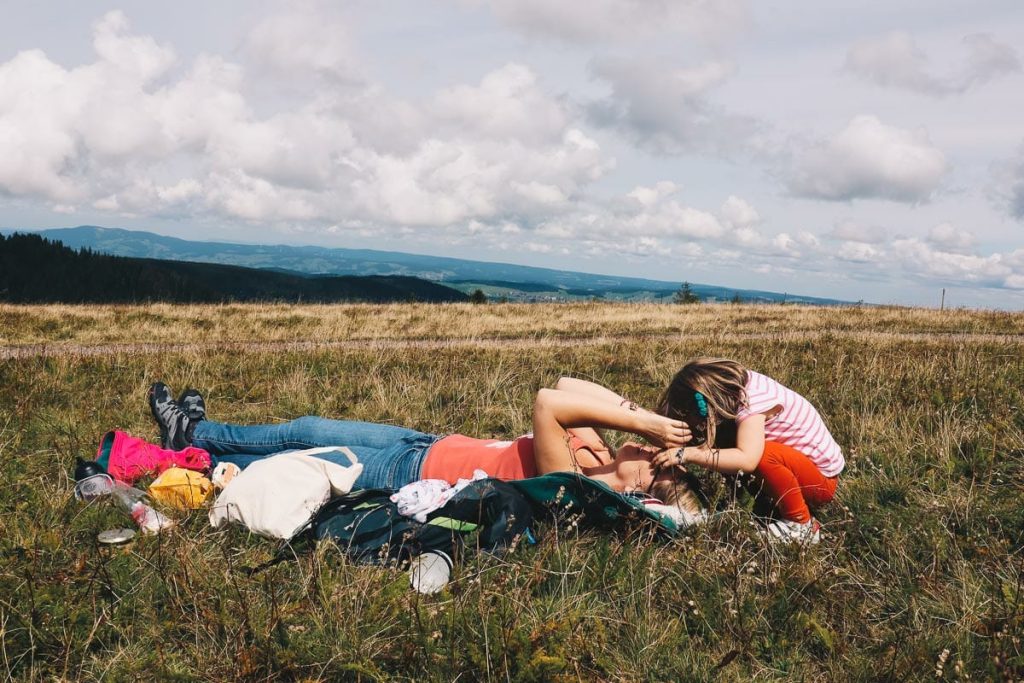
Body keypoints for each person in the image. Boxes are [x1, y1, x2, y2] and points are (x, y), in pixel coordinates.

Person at [148, 377, 704, 514]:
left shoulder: (573, 485)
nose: (653, 452)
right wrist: (646, 420)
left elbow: (545, 404)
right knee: (304, 427)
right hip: (427, 444)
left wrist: (646, 428)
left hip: (405, 472)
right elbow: (567, 387)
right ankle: (198, 433)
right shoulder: (599, 454)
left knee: (291, 453)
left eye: (658, 465)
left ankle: (190, 439)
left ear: (641, 487)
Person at [651, 358, 844, 543]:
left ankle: (801, 525)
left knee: (761, 455)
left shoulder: (751, 405)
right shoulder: (738, 387)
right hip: (804, 473)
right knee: (731, 446)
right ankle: (769, 508)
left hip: (821, 484)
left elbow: (748, 459)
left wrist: (690, 454)